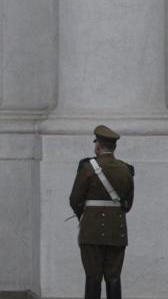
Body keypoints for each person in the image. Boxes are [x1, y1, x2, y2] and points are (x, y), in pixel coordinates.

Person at [69, 125, 135, 299]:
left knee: (93, 277)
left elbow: (74, 199)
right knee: (114, 277)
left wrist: (86, 217)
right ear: (114, 147)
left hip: (92, 231)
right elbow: (128, 204)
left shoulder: (87, 167)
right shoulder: (126, 170)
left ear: (98, 146)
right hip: (117, 231)